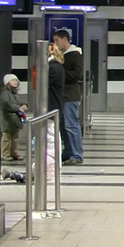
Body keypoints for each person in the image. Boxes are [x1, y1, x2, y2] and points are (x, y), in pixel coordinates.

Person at [52, 29, 85, 164]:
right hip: (63, 95)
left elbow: (78, 75)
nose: (56, 43)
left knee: (71, 125)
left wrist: (61, 71)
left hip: (71, 95)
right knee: (64, 125)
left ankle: (76, 154)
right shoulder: (63, 55)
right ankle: (68, 152)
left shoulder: (74, 54)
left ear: (65, 39)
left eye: (57, 40)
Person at [0, 74, 27, 162]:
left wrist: (24, 105)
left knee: (15, 138)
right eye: (13, 80)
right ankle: (5, 154)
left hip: (15, 120)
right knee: (7, 138)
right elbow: (6, 104)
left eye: (16, 80)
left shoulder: (15, 94)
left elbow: (18, 103)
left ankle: (14, 152)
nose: (15, 82)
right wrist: (18, 108)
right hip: (7, 120)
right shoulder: (5, 94)